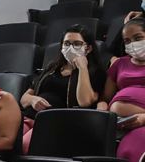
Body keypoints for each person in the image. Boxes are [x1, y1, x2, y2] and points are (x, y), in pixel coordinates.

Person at [97, 18, 145, 162]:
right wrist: (102, 110)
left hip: (144, 123)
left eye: (138, 38)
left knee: (129, 152)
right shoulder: (119, 64)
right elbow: (105, 99)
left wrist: (143, 118)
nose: (132, 44)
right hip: (119, 124)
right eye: (127, 40)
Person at [20, 24, 106, 153]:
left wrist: (82, 68)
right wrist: (33, 100)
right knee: (9, 144)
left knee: (25, 145)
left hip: (56, 121)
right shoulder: (51, 67)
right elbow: (24, 98)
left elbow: (85, 101)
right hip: (30, 117)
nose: (70, 48)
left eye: (77, 44)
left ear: (88, 48)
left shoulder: (95, 72)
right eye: (66, 44)